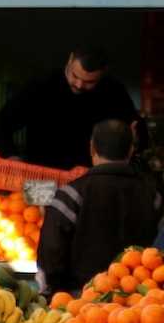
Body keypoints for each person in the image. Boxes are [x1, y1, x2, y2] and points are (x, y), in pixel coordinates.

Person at [38, 120, 162, 294]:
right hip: (138, 303)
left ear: (92, 148)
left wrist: (58, 289)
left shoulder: (71, 194)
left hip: (81, 302)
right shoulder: (152, 196)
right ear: (131, 150)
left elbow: (51, 253)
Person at [0, 44, 146, 170]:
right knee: (34, 211)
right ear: (70, 59)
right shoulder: (41, 85)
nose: (79, 85)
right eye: (75, 76)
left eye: (89, 82)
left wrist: (135, 139)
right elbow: (0, 124)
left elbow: (137, 131)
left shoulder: (113, 91)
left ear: (103, 73)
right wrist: (10, 155)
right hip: (39, 178)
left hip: (89, 182)